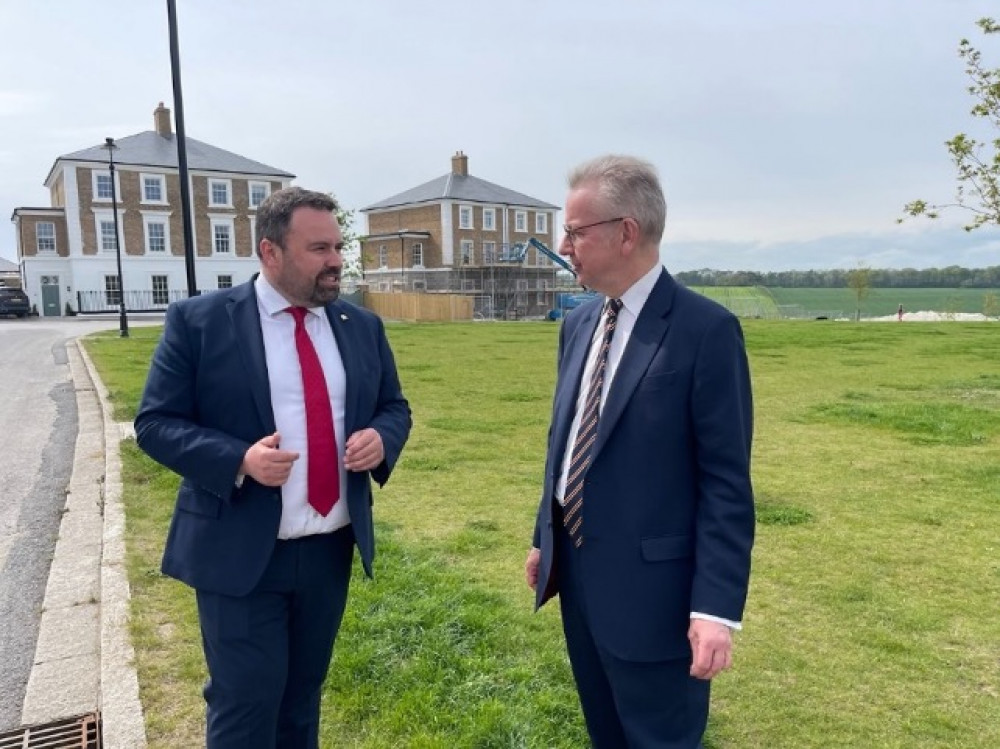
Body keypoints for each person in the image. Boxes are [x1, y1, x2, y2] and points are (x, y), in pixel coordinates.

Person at [134, 186, 411, 748]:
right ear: (270, 252)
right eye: (318, 249)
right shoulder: (201, 322)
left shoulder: (360, 327)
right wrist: (240, 459)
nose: (335, 260)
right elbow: (155, 423)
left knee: (301, 701)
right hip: (240, 554)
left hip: (329, 548)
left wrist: (381, 440)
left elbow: (393, 407)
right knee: (244, 706)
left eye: (337, 246)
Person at [524, 155, 755, 748]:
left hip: (659, 604)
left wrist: (715, 609)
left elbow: (725, 483)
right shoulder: (578, 326)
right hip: (579, 585)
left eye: (576, 231)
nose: (564, 245)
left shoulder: (706, 331)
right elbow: (566, 442)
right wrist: (542, 537)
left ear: (626, 232)